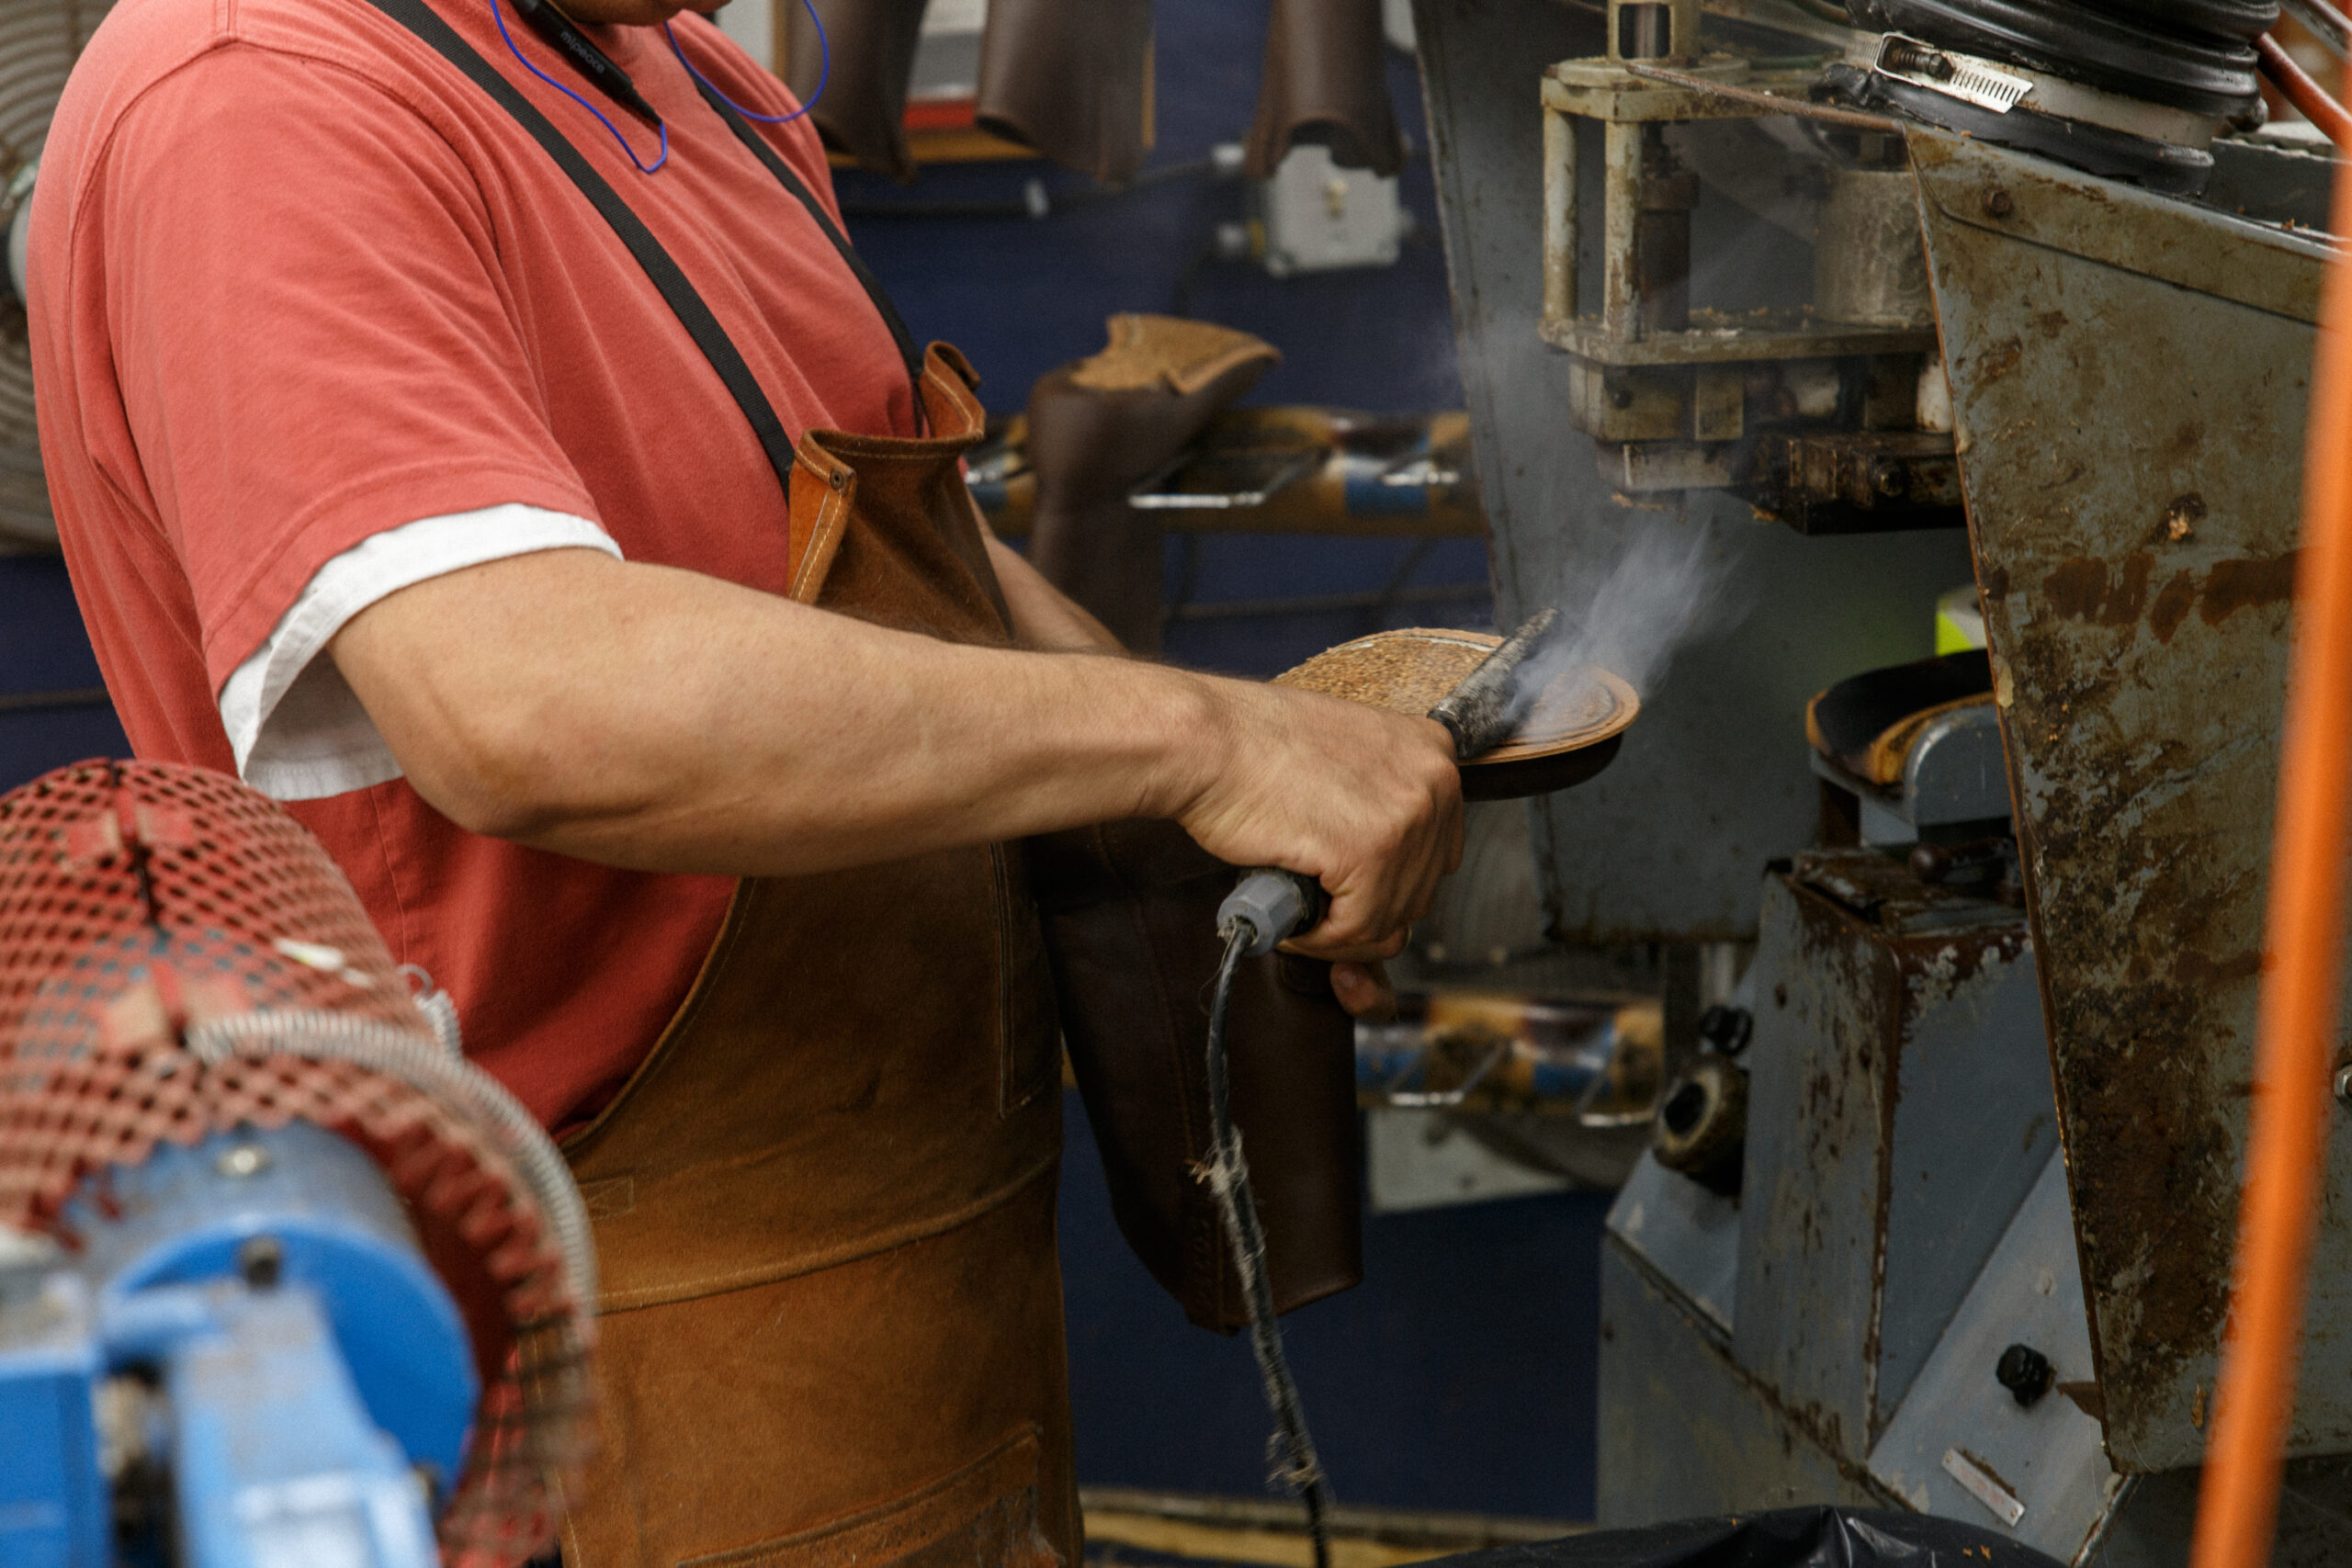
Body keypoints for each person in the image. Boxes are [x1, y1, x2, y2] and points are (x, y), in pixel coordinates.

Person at [27, 0, 1463, 1561]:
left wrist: (1229, 805)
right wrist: (1208, 742)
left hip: (922, 1326)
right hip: (591, 1377)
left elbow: (924, 563)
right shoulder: (259, 95)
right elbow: (520, 699)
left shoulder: (674, 68)